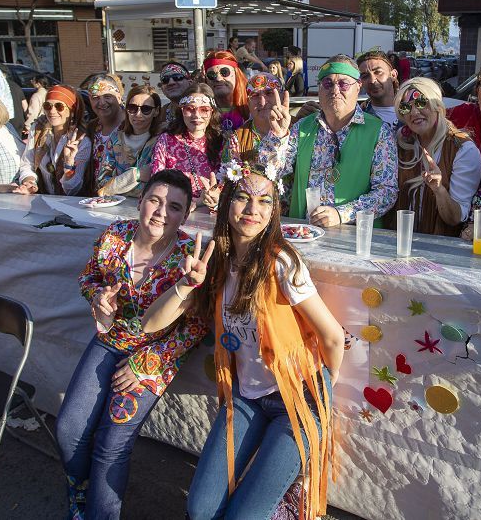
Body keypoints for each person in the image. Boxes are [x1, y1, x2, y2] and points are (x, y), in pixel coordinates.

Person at [141, 166, 343, 520]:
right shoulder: (215, 262)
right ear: (226, 204)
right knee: (200, 510)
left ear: (274, 211)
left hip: (298, 398)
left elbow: (332, 337)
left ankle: (285, 504)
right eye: (243, 197)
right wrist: (186, 285)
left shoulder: (281, 261)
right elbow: (149, 324)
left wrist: (325, 388)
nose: (253, 209)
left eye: (265, 201)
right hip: (247, 397)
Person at [56, 169, 209, 520]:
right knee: (68, 429)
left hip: (153, 353)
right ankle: (81, 497)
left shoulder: (189, 256)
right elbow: (88, 277)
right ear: (140, 201)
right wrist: (97, 297)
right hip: (109, 341)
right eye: (155, 200)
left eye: (174, 207)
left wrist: (149, 361)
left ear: (185, 215)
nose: (161, 212)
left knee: (111, 446)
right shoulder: (114, 236)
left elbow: (199, 325)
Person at [258, 55, 398, 227]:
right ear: (319, 88)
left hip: (354, 237)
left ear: (358, 87)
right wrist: (277, 137)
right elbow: (270, 173)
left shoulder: (379, 132)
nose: (335, 90)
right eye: (328, 83)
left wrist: (342, 214)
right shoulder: (302, 127)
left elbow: (387, 191)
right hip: (304, 232)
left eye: (344, 84)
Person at [388, 78, 481, 236]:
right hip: (398, 242)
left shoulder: (463, 149)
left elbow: (455, 218)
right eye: (405, 108)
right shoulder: (400, 142)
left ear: (437, 105)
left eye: (421, 103)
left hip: (438, 248)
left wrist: (439, 190)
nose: (414, 112)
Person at [149, 83, 225, 206]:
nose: (197, 116)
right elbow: (157, 181)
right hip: (172, 208)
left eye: (204, 109)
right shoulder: (166, 140)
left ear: (212, 112)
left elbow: (227, 185)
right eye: (190, 109)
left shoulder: (221, 142)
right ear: (181, 111)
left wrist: (213, 196)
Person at [23, 85, 90, 195]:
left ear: (72, 111)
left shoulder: (81, 141)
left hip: (71, 206)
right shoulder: (37, 130)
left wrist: (69, 164)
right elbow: (27, 163)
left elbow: (72, 190)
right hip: (43, 200)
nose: (52, 111)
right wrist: (29, 181)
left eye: (59, 106)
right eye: (47, 106)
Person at [83, 74, 141, 197]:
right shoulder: (91, 128)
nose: (102, 102)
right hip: (96, 201)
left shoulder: (134, 125)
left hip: (129, 201)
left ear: (119, 97)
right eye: (95, 97)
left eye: (107, 96)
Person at [222, 73, 290, 167]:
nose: (262, 102)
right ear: (248, 103)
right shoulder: (236, 140)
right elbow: (227, 178)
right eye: (255, 95)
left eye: (269, 93)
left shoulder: (299, 130)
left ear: (282, 97)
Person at [120, 84, 162, 190]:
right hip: (113, 204)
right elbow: (101, 183)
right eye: (132, 108)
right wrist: (137, 175)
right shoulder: (115, 139)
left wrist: (118, 183)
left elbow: (159, 184)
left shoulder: (163, 141)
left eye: (146, 109)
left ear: (156, 111)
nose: (138, 114)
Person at [203, 50, 249, 132]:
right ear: (206, 80)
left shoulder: (252, 104)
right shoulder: (199, 112)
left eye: (224, 72)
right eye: (211, 75)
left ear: (236, 75)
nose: (218, 79)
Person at [357, 49, 400, 128]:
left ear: (393, 75)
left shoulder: (414, 113)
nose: (372, 80)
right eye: (365, 76)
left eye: (378, 72)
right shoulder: (358, 119)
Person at [157, 61, 193, 128]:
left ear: (190, 83)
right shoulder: (160, 114)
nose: (171, 83)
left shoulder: (202, 108)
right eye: (165, 80)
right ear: (162, 88)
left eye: (177, 77)